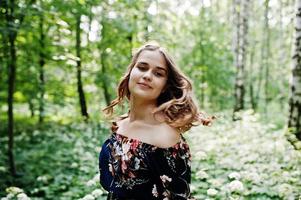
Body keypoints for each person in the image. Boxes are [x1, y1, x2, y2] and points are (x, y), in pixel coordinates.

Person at [99, 42, 212, 200]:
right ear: (131, 72)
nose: (147, 75)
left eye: (158, 73)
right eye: (142, 67)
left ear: (165, 86)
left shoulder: (165, 136)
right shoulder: (121, 124)